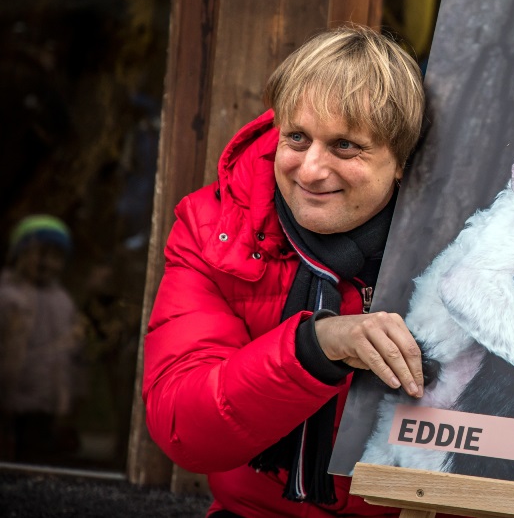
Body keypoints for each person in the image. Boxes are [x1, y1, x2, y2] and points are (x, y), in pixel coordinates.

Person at [143, 25, 431, 517]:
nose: (311, 169)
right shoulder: (214, 230)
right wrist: (314, 348)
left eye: (346, 146)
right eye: (297, 137)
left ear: (402, 159)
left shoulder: (461, 251)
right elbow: (182, 428)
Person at [0, 214, 84, 462]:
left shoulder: (64, 301)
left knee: (36, 457)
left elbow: (73, 353)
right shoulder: (6, 297)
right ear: (18, 255)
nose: (47, 263)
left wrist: (69, 399)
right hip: (8, 402)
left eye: (56, 256)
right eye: (39, 253)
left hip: (46, 403)